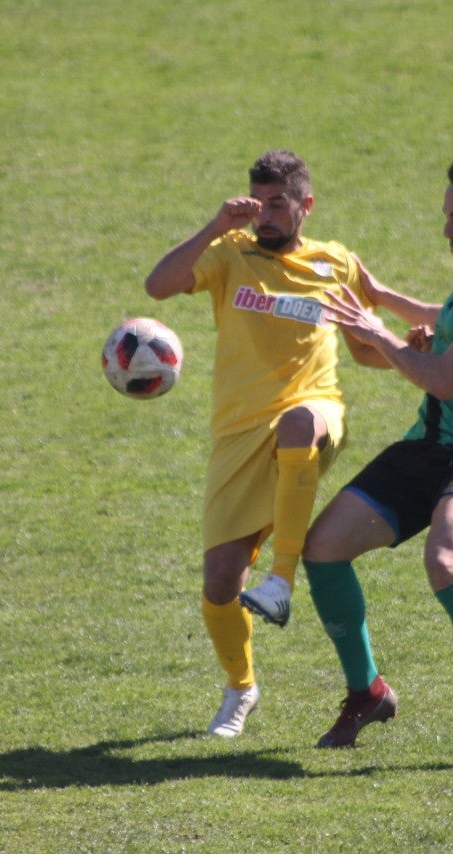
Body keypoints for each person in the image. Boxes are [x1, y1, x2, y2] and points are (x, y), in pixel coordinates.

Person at [301, 158, 453, 771]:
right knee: (322, 547)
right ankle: (368, 692)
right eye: (446, 217)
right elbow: (447, 318)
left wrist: (377, 332)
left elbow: (441, 377)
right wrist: (382, 299)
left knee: (446, 560)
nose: (447, 232)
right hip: (426, 449)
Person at [144, 150, 383, 738]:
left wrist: (416, 348)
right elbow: (158, 285)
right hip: (238, 434)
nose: (266, 215)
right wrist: (217, 225)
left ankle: (280, 580)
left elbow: (365, 347)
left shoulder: (336, 263)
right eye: (259, 202)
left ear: (306, 205)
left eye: (279, 203)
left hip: (315, 413)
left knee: (298, 423)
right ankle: (241, 687)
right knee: (219, 584)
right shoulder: (229, 255)